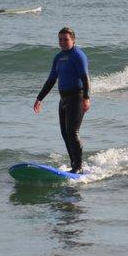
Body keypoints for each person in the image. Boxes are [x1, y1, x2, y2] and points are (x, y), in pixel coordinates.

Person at [33, 27, 91, 173]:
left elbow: (85, 77)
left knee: (72, 132)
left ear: (73, 39)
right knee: (65, 134)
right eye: (60, 39)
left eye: (66, 39)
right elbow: (51, 79)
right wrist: (39, 98)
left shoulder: (78, 55)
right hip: (63, 99)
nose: (63, 42)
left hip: (77, 97)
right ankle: (74, 165)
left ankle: (78, 167)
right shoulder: (58, 57)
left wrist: (86, 98)